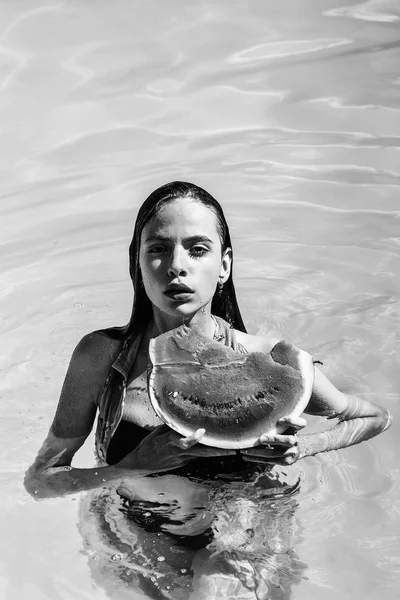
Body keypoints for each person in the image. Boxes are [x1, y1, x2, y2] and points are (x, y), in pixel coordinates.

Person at [25, 181, 392, 598]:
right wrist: (130, 467)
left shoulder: (272, 362)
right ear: (137, 264)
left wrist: (303, 448)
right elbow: (40, 481)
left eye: (197, 249)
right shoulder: (101, 357)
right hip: (131, 531)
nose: (176, 265)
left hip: (243, 532)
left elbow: (374, 417)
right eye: (158, 248)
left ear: (224, 266)